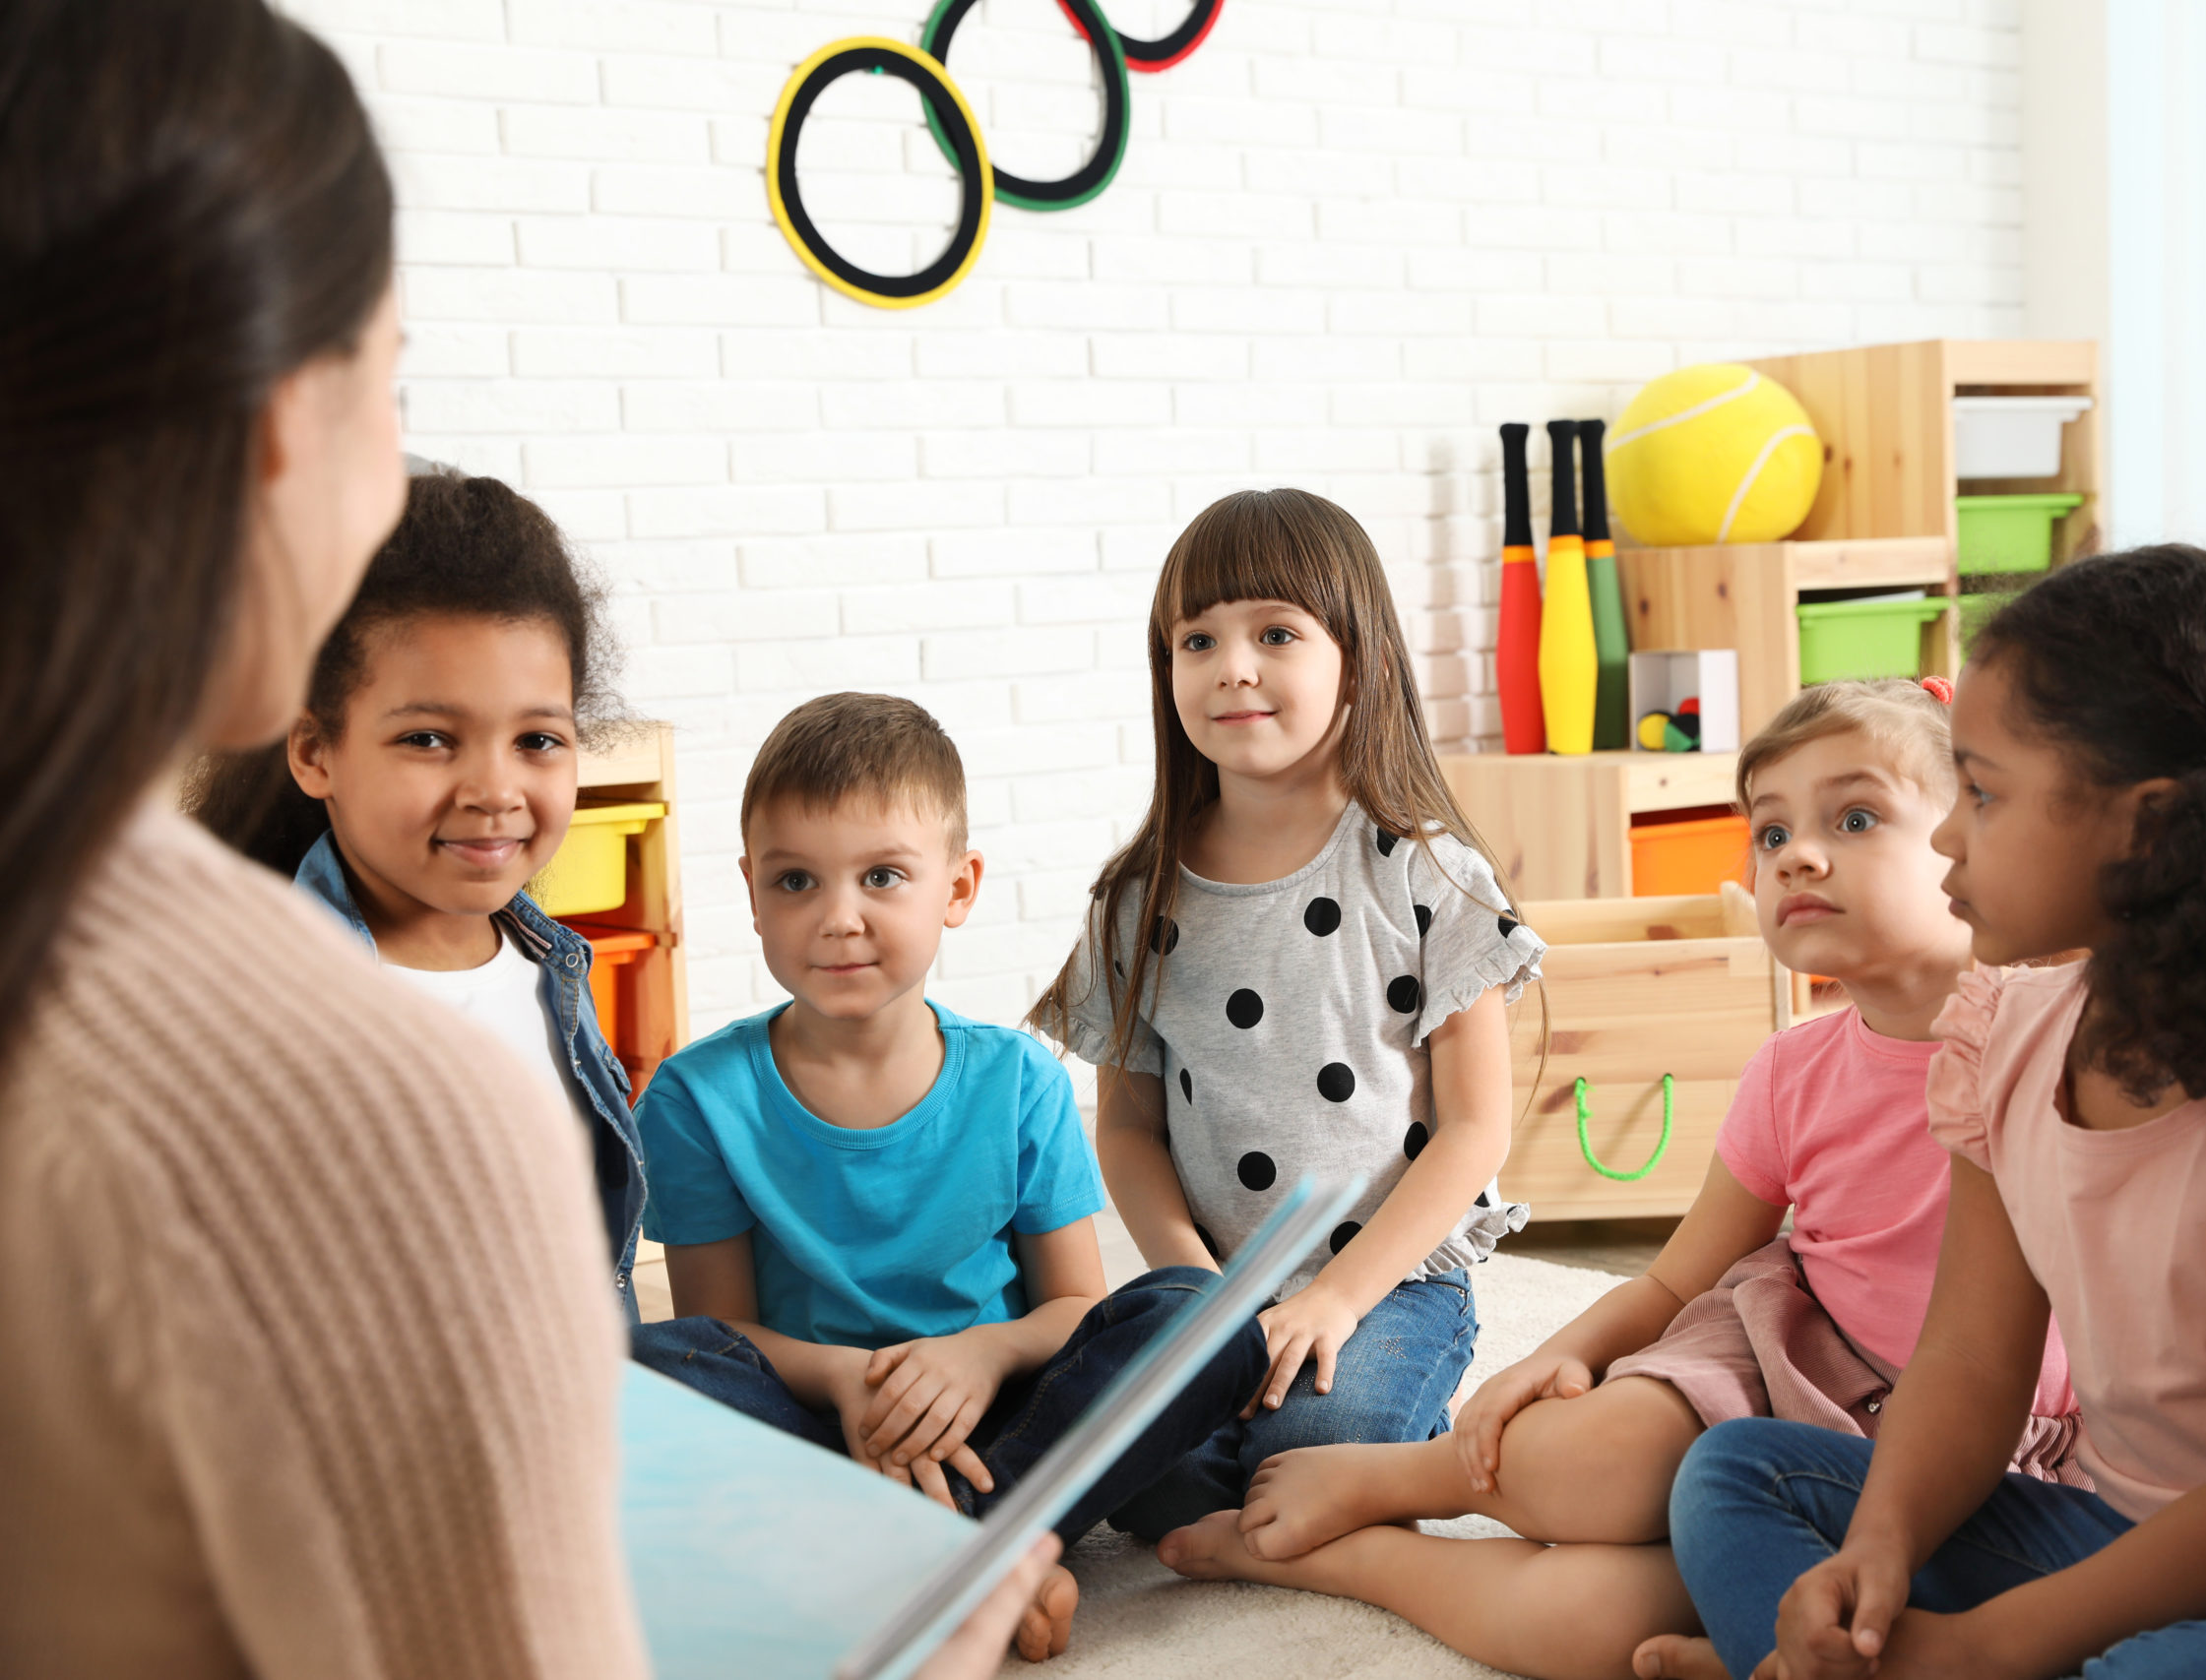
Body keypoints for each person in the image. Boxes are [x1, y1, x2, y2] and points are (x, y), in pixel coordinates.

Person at [0, 0, 648, 1671]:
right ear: (286, 424)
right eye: (392, 383)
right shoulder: (361, 1116)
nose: (492, 786)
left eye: (538, 736)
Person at [1663, 546, 2206, 1680]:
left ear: (2143, 827)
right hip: (2117, 1531)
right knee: (1738, 1474)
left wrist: (1988, 1646)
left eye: (1980, 792)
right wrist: (1878, 1546)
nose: (1950, 840)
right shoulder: (2004, 1038)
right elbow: (1968, 1363)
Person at [1159, 681, 2081, 1680]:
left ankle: (1367, 1563)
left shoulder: (2072, 1043)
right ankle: (1405, 1481)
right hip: (1794, 1354)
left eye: (1853, 819)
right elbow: (1674, 1281)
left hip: (1977, 1434)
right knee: (1590, 1462)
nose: (1796, 856)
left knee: (1600, 1626)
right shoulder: (1792, 1070)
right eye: (1769, 834)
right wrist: (1541, 1365)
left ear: (1975, 843)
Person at [631, 693, 1269, 1662]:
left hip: (998, 1406)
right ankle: (1000, 1546)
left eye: (882, 876)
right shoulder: (694, 1097)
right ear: (753, 896)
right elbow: (718, 1335)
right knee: (646, 1363)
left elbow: (1070, 1313)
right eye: (796, 881)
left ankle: (951, 1545)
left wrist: (977, 1357)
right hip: (817, 1423)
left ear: (958, 889)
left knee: (1196, 1311)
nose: (838, 919)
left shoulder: (1016, 1081)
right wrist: (852, 1380)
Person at [1027, 487, 1544, 1541]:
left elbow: (1475, 1129)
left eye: (1275, 633)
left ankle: (1353, 1440)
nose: (1233, 667)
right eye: (1197, 640)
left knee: (1314, 1446)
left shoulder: (1426, 867)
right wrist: (1198, 1292)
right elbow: (1126, 1127)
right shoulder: (1139, 896)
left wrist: (1337, 1300)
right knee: (1113, 1464)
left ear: (1358, 656)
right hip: (1214, 1289)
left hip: (1388, 1281)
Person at [187, 469, 650, 1325]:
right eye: (430, 738)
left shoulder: (554, 968)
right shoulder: (265, 1003)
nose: (495, 787)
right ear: (316, 752)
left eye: (538, 739)